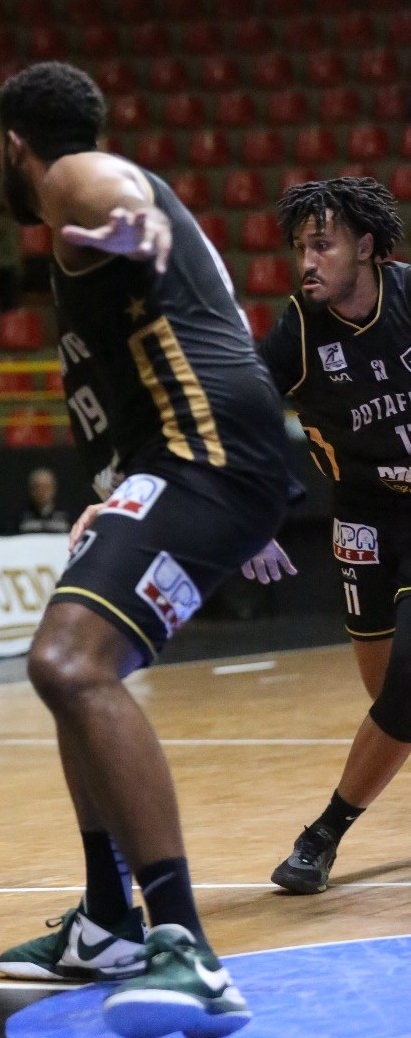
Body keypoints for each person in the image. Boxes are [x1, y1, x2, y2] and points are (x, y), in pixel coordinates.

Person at [0, 62, 290, 1038]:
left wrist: (129, 219)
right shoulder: (70, 238)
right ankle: (109, 919)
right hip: (183, 459)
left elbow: (111, 190)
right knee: (69, 661)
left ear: (12, 144)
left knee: (68, 661)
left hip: (208, 452)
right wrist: (112, 487)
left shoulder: (74, 178)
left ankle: (187, 947)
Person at [244, 177, 411, 896]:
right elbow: (233, 414)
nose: (305, 262)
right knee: (392, 705)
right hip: (365, 515)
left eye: (322, 244)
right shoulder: (299, 333)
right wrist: (253, 514)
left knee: (409, 689)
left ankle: (324, 833)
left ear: (366, 247)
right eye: (299, 249)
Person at [15, 466, 70, 534]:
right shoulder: (21, 517)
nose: (42, 492)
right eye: (38, 487)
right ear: (32, 491)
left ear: (53, 489)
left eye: (46, 487)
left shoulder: (66, 515)